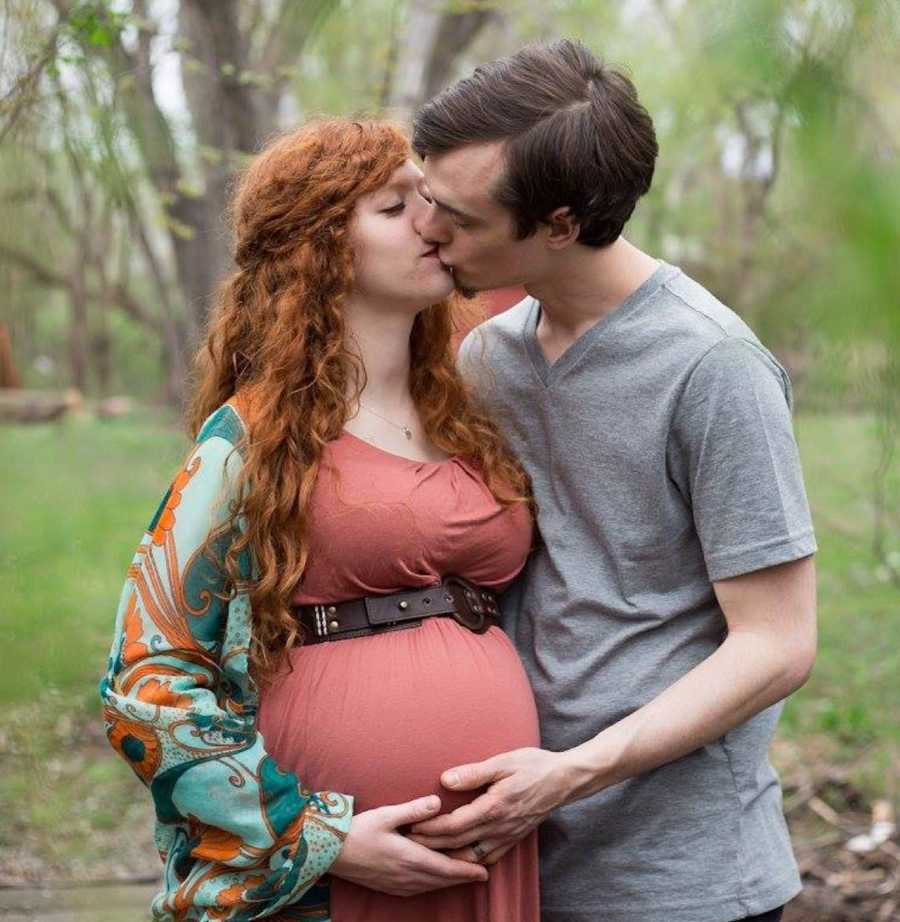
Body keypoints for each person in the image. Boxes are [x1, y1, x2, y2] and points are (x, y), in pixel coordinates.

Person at [405, 39, 818, 922]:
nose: (430, 232)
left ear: (559, 224)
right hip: (519, 861)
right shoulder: (486, 357)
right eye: (429, 200)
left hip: (682, 881)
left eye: (462, 219)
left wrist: (569, 774)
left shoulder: (715, 368)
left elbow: (777, 643)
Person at [99, 118, 542, 921]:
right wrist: (316, 837)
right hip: (341, 868)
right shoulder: (251, 439)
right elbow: (149, 677)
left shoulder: (474, 415)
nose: (432, 222)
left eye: (431, 200)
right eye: (392, 207)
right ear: (320, 245)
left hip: (493, 847)